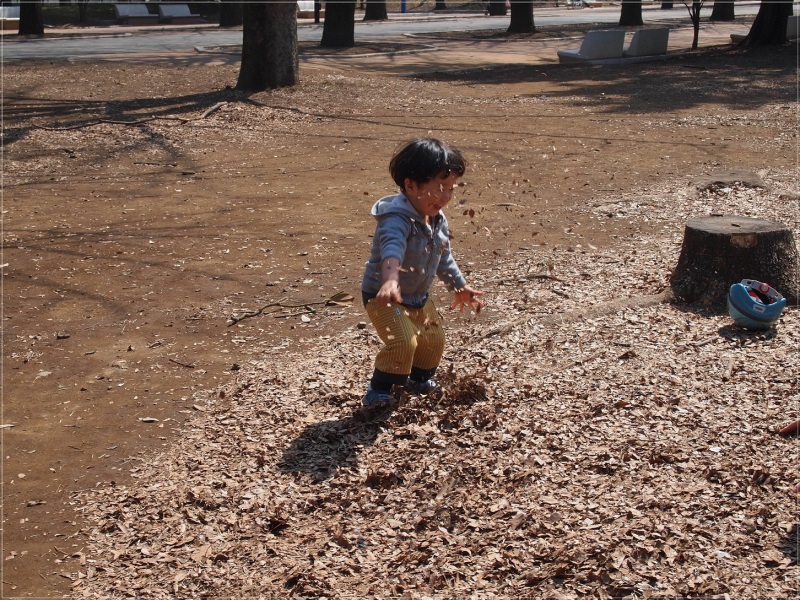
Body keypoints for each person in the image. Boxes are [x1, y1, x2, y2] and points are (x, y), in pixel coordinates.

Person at [360, 137, 484, 413]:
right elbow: (392, 251)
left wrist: (459, 285)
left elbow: (444, 257)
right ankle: (379, 390)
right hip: (384, 295)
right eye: (439, 189)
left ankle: (418, 380)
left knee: (433, 339)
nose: (445, 197)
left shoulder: (437, 220)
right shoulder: (395, 220)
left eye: (450, 189)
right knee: (404, 341)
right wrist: (390, 280)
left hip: (417, 295)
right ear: (410, 185)